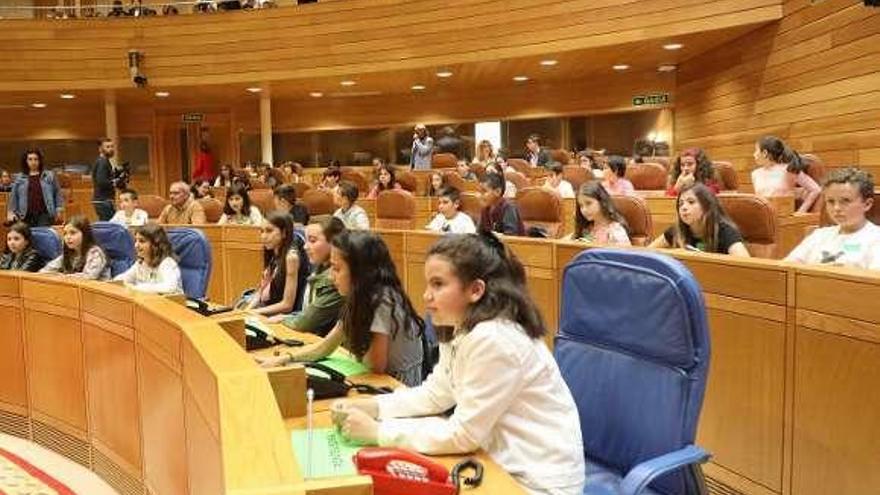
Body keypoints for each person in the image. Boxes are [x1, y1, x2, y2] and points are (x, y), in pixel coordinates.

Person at [328, 233, 586, 495]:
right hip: (497, 462)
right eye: (428, 284)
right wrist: (373, 406)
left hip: (536, 483)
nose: (426, 296)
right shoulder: (460, 327)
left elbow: (463, 434)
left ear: (475, 290)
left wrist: (379, 431)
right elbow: (436, 394)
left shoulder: (495, 338)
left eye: (438, 284)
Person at [256, 231, 425, 386]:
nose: (330, 276)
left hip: (396, 384)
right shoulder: (359, 295)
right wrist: (286, 358)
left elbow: (376, 367)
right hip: (375, 377)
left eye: (336, 269)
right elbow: (326, 345)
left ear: (361, 271)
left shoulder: (382, 301)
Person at [786, 167, 880, 269]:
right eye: (830, 201)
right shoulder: (819, 235)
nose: (837, 208)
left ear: (867, 204)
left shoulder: (876, 238)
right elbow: (786, 270)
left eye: (845, 201)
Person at [276, 217, 347, 337]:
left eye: (312, 241)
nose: (305, 247)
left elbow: (303, 324)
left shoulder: (336, 279)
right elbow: (307, 312)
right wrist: (288, 317)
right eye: (306, 240)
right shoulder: (317, 268)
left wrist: (283, 319)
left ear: (334, 242)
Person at [648, 184, 750, 257]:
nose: (684, 207)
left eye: (691, 202)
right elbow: (647, 252)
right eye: (681, 204)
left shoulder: (724, 230)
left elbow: (745, 264)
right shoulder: (677, 230)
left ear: (707, 207)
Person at [248, 212, 308, 316]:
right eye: (261, 231)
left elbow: (287, 305)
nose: (263, 236)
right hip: (266, 308)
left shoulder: (291, 258)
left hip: (280, 316)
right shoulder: (272, 251)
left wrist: (253, 312)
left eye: (269, 231)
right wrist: (246, 310)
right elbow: (261, 291)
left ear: (284, 232)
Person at [752, 136, 820, 214]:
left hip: (784, 216)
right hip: (764, 216)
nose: (754, 155)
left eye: (756, 150)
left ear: (764, 153)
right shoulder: (755, 174)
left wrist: (802, 210)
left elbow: (815, 189)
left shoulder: (788, 170)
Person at [114, 224, 182, 294]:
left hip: (172, 303)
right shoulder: (141, 262)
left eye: (142, 241)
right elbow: (125, 278)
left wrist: (136, 288)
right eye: (135, 241)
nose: (136, 245)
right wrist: (115, 282)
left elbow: (169, 288)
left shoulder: (167, 263)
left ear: (156, 245)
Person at [6, 148, 64, 227]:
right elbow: (14, 197)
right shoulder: (19, 178)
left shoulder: (49, 175)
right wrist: (11, 212)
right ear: (26, 161)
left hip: (45, 214)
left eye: (36, 159)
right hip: (25, 215)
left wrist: (59, 209)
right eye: (30, 159)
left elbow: (57, 193)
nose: (33, 162)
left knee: (42, 236)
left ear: (40, 161)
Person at [40, 216, 110, 280]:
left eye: (73, 233)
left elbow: (89, 277)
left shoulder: (95, 252)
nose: (68, 237)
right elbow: (44, 271)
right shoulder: (70, 253)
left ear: (85, 234)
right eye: (65, 234)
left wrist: (62, 277)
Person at [568, 181, 631, 246]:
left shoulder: (616, 231)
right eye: (581, 206)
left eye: (588, 203)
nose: (584, 210)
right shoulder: (585, 228)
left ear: (601, 201)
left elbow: (625, 254)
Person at [92, 138, 116, 221]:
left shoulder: (103, 161)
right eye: (107, 147)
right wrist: (115, 182)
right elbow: (101, 182)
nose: (111, 149)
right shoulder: (103, 162)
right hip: (103, 201)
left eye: (112, 146)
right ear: (100, 149)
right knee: (109, 226)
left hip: (103, 201)